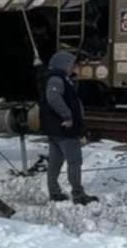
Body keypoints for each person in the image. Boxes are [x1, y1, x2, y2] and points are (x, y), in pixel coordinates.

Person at [37, 50, 97, 205]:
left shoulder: (57, 78)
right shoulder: (57, 79)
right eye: (72, 64)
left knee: (55, 162)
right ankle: (78, 195)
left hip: (55, 129)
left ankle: (54, 192)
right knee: (74, 161)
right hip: (64, 129)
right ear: (64, 64)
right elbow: (53, 97)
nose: (74, 67)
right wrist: (68, 116)